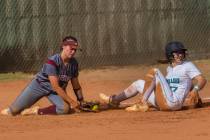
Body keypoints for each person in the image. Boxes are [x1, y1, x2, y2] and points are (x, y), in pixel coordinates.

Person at [99, 41, 207, 112]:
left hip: (174, 103)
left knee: (154, 71)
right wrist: (193, 90)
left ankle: (142, 103)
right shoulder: (170, 69)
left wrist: (196, 89)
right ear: (170, 54)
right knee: (138, 84)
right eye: (176, 53)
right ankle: (114, 100)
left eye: (181, 52)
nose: (180, 55)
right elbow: (186, 83)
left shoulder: (187, 65)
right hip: (163, 102)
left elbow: (202, 79)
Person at [1, 36, 85, 115]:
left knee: (64, 109)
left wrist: (81, 100)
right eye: (71, 48)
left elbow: (76, 86)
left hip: (54, 92)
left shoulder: (74, 64)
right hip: (39, 86)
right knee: (13, 111)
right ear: (63, 46)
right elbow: (56, 86)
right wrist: (71, 102)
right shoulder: (52, 62)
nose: (73, 51)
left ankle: (36, 110)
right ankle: (10, 110)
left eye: (75, 50)